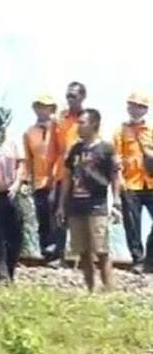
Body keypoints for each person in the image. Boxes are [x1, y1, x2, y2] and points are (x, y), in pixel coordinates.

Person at [56, 108, 121, 293]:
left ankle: (109, 288)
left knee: (101, 250)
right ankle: (92, 288)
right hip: (76, 205)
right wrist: (61, 205)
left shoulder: (106, 148)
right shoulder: (76, 149)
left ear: (94, 124)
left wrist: (116, 201)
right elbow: (67, 176)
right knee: (83, 251)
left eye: (82, 123)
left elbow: (115, 175)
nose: (78, 126)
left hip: (97, 205)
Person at [48, 81, 88, 266]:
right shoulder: (60, 119)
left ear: (82, 97)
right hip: (62, 173)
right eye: (68, 96)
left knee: (81, 216)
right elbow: (53, 150)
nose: (70, 99)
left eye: (74, 95)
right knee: (59, 213)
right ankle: (59, 256)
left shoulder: (89, 118)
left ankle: (83, 258)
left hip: (83, 175)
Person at [113, 91, 153, 274]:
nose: (135, 109)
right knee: (132, 225)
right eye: (132, 105)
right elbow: (116, 159)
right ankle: (138, 259)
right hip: (131, 184)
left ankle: (150, 258)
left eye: (139, 106)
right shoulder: (120, 131)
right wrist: (119, 180)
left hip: (151, 183)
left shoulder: (150, 131)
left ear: (145, 109)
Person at [0, 106, 25, 285]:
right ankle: (1, 275)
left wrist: (17, 184)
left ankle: (10, 272)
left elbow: (21, 164)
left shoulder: (12, 140)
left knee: (15, 234)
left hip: (10, 194)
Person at [22, 93, 60, 257]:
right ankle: (46, 251)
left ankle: (59, 251)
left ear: (52, 109)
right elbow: (28, 159)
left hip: (58, 180)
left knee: (58, 217)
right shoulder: (29, 132)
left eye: (45, 106)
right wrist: (26, 180)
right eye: (39, 106)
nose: (42, 110)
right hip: (39, 182)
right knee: (43, 217)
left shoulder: (58, 129)